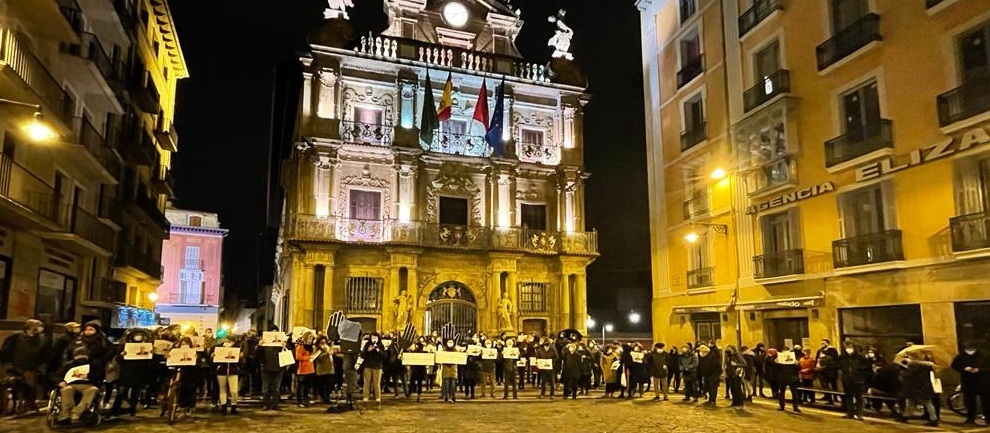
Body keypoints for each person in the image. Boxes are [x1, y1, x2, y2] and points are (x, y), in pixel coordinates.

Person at [0, 319, 47, 411]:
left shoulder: (41, 339)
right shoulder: (16, 337)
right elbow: (6, 352)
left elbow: (43, 354)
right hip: (16, 366)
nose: (41, 328)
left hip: (32, 367)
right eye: (38, 326)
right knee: (28, 377)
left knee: (32, 378)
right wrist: (8, 364)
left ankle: (30, 402)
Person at [109, 329, 153, 418]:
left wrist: (151, 354)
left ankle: (132, 411)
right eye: (136, 335)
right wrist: (122, 355)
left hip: (139, 371)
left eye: (140, 335)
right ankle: (114, 411)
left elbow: (150, 361)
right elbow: (118, 359)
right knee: (121, 392)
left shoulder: (146, 346)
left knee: (135, 393)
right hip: (127, 371)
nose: (138, 337)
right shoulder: (125, 346)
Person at [54, 347, 99, 424]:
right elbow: (57, 375)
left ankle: (77, 412)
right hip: (70, 384)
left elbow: (99, 375)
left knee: (93, 390)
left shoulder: (94, 364)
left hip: (88, 385)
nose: (80, 357)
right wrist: (60, 381)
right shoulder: (68, 365)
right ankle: (65, 414)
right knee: (66, 390)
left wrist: (90, 376)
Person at [951, 341, 990, 424]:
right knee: (970, 401)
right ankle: (971, 418)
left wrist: (979, 370)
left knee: (986, 401)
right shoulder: (960, 356)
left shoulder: (983, 355)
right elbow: (954, 365)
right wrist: (964, 369)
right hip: (968, 381)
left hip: (982, 382)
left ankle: (987, 418)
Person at [896, 352, 939, 427]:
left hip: (915, 386)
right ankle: (933, 418)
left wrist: (904, 369)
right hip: (925, 385)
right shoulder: (928, 365)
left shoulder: (913, 364)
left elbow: (909, 375)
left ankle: (932, 418)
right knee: (927, 402)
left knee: (913, 400)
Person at [837, 341, 871, 421]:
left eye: (850, 347)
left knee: (859, 397)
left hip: (858, 381)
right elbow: (838, 365)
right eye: (847, 347)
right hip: (847, 380)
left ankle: (859, 414)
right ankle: (850, 413)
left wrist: (862, 376)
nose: (848, 349)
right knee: (849, 397)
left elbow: (868, 369)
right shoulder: (843, 357)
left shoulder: (860, 357)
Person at [256, 327, 286, 411]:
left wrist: (284, 346)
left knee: (276, 388)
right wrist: (259, 345)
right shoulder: (264, 343)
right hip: (266, 368)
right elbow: (257, 354)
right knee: (266, 388)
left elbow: (289, 352)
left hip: (279, 367)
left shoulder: (281, 343)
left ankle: (275, 404)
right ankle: (266, 404)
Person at [215, 336, 241, 415]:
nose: (226, 343)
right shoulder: (219, 349)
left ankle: (233, 407)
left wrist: (240, 357)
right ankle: (223, 408)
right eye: (225, 341)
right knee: (222, 390)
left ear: (233, 342)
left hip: (233, 371)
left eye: (229, 341)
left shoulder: (236, 349)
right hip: (221, 371)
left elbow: (241, 362)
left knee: (234, 391)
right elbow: (214, 361)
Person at [772, 348, 801, 413]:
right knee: (782, 392)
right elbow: (775, 369)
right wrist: (776, 363)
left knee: (794, 393)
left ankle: (795, 407)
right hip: (783, 378)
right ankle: (782, 405)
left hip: (792, 378)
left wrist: (797, 364)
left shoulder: (793, 359)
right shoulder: (780, 360)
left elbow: (799, 368)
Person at [360, 333, 386, 405]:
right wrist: (368, 350)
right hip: (368, 366)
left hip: (377, 367)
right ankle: (365, 399)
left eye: (376, 338)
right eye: (373, 338)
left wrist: (378, 350)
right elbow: (362, 355)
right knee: (366, 383)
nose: (374, 339)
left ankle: (378, 399)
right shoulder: (367, 345)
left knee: (376, 384)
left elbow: (384, 356)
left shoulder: (380, 345)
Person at [816, 339, 840, 404]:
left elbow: (836, 359)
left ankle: (835, 397)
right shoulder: (820, 350)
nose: (823, 344)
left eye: (824, 343)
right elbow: (817, 358)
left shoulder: (832, 350)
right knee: (825, 384)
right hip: (822, 371)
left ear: (828, 343)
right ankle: (827, 396)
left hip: (831, 370)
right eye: (822, 343)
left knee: (833, 384)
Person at [294, 332, 315, 407]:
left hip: (310, 368)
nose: (311, 339)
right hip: (303, 368)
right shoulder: (301, 346)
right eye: (309, 337)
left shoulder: (310, 346)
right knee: (301, 386)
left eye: (312, 337)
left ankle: (306, 400)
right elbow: (298, 357)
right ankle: (300, 401)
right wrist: (308, 357)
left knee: (307, 386)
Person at [313, 337, 335, 404]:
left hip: (330, 369)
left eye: (324, 342)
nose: (324, 344)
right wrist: (327, 354)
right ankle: (324, 398)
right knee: (322, 385)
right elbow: (318, 358)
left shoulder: (328, 348)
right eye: (322, 343)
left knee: (330, 384)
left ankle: (327, 396)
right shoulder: (317, 349)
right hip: (322, 370)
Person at [439, 339, 459, 404]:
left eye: (451, 342)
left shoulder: (456, 351)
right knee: (446, 385)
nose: (450, 343)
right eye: (449, 342)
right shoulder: (444, 350)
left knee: (453, 385)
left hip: (453, 370)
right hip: (446, 370)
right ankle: (447, 397)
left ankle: (453, 397)